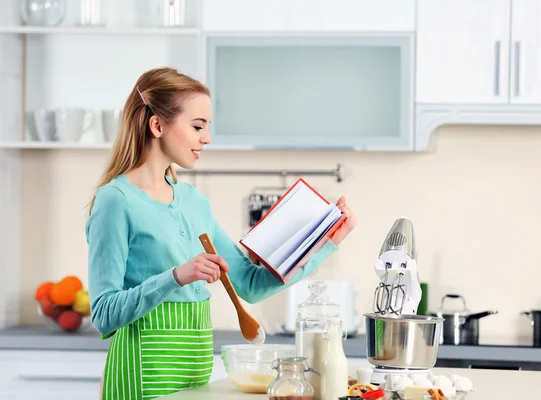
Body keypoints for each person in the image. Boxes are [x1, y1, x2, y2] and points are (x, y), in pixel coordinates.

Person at [86, 67, 357, 400]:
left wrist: (327, 242)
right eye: (198, 126)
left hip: (195, 379)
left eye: (208, 127)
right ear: (157, 125)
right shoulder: (116, 200)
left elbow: (252, 285)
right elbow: (104, 315)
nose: (207, 138)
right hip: (142, 379)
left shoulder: (193, 201)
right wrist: (175, 276)